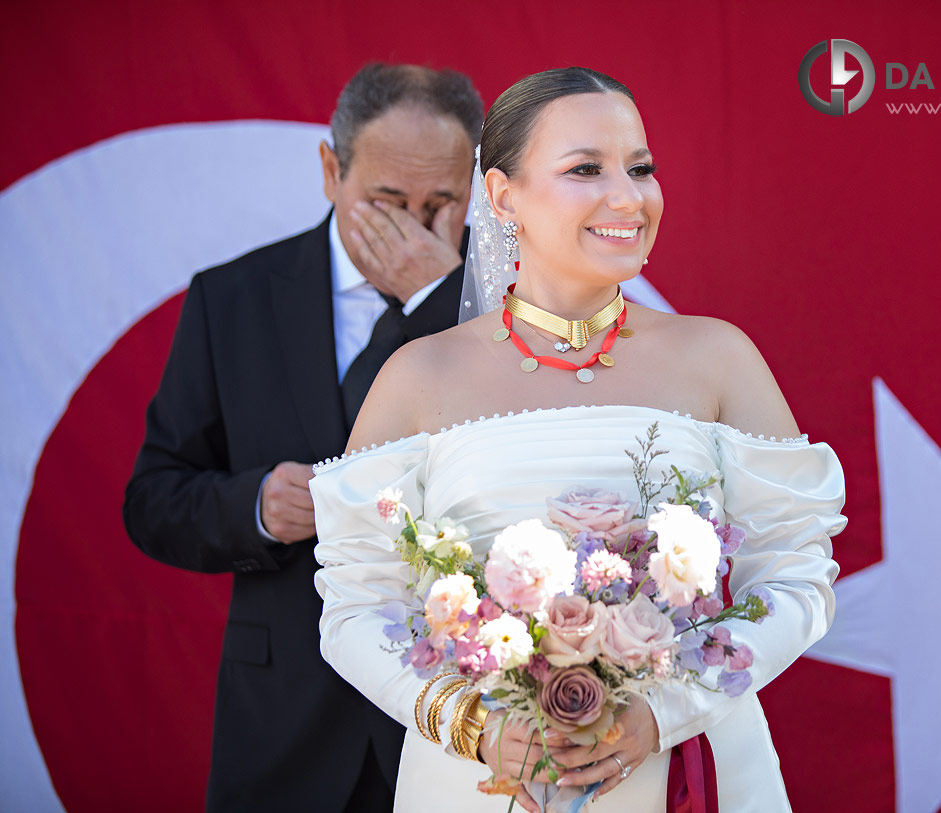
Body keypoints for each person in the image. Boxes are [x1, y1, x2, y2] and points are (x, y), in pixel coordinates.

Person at [309, 67, 846, 812]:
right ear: (503, 197)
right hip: (483, 780)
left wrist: (666, 709)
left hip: (687, 770)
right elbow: (355, 607)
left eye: (641, 168)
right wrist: (474, 724)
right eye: (586, 169)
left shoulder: (720, 358)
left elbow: (795, 578)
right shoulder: (416, 377)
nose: (628, 197)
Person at [122, 63, 483, 811]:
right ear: (330, 170)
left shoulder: (503, 303)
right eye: (388, 201)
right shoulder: (233, 298)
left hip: (451, 721)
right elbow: (153, 499)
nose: (413, 229)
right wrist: (255, 506)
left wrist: (439, 293)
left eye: (440, 204)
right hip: (282, 723)